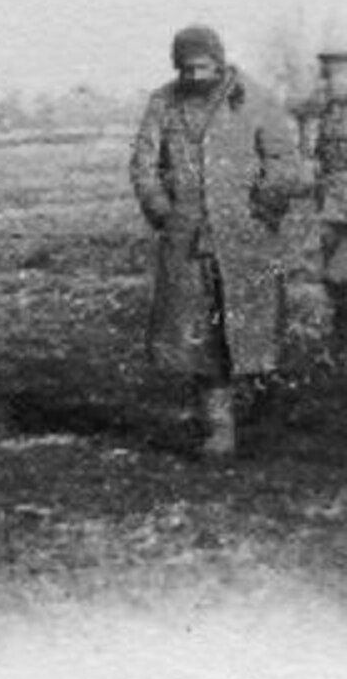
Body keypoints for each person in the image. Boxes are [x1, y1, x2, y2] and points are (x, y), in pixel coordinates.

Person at [129, 25, 303, 459]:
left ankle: (268, 412)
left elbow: (282, 160)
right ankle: (218, 429)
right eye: (186, 69)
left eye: (203, 67)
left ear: (220, 62)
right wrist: (163, 213)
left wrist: (265, 208)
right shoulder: (163, 103)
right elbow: (144, 165)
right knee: (201, 341)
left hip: (248, 239)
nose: (195, 76)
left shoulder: (256, 99)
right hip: (187, 242)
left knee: (257, 329)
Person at [305, 49, 347, 347]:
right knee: (329, 276)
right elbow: (320, 158)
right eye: (330, 76)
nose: (332, 82)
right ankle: (340, 330)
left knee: (337, 274)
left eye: (339, 75)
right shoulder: (328, 114)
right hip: (332, 205)